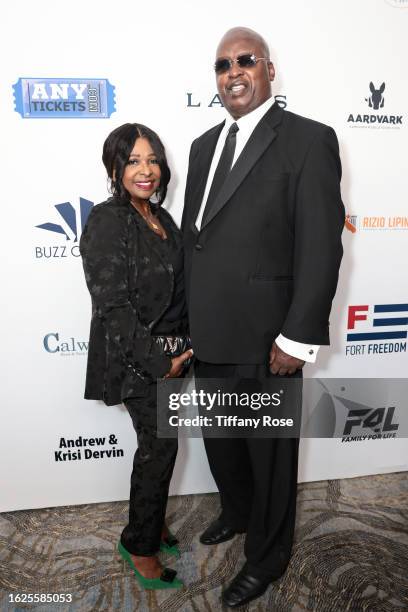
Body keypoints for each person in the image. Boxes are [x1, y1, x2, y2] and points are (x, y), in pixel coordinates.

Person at [182, 27, 345, 607]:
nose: (234, 72)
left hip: (268, 337)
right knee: (224, 444)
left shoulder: (307, 140)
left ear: (269, 71)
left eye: (245, 60)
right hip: (209, 333)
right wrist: (183, 327)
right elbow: (193, 243)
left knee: (270, 458)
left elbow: (322, 248)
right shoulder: (203, 146)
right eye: (223, 64)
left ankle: (268, 556)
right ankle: (238, 511)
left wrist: (297, 338)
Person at [80, 123, 192, 590]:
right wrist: (158, 363)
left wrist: (184, 350)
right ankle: (139, 545)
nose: (146, 170)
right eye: (133, 161)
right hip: (138, 361)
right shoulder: (109, 220)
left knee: (159, 449)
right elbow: (113, 305)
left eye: (152, 160)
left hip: (173, 357)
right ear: (114, 168)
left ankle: (151, 521)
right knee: (160, 448)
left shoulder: (161, 218)